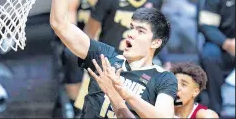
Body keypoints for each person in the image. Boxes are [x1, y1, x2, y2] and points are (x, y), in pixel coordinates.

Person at [49, 0, 177, 118]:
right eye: (131, 28)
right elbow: (60, 24)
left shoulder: (163, 78)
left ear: (156, 41)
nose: (130, 33)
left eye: (140, 30)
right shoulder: (104, 57)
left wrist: (121, 95)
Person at [61, 0, 113, 112]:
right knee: (71, 54)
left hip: (111, 42)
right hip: (83, 42)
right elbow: (70, 28)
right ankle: (75, 106)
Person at [90, 60, 218, 118]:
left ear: (196, 91)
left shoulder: (205, 115)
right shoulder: (156, 107)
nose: (176, 88)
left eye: (183, 84)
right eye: (174, 83)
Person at [198, 0, 235, 114]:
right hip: (223, 45)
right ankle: (215, 108)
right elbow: (207, 26)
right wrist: (226, 43)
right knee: (209, 54)